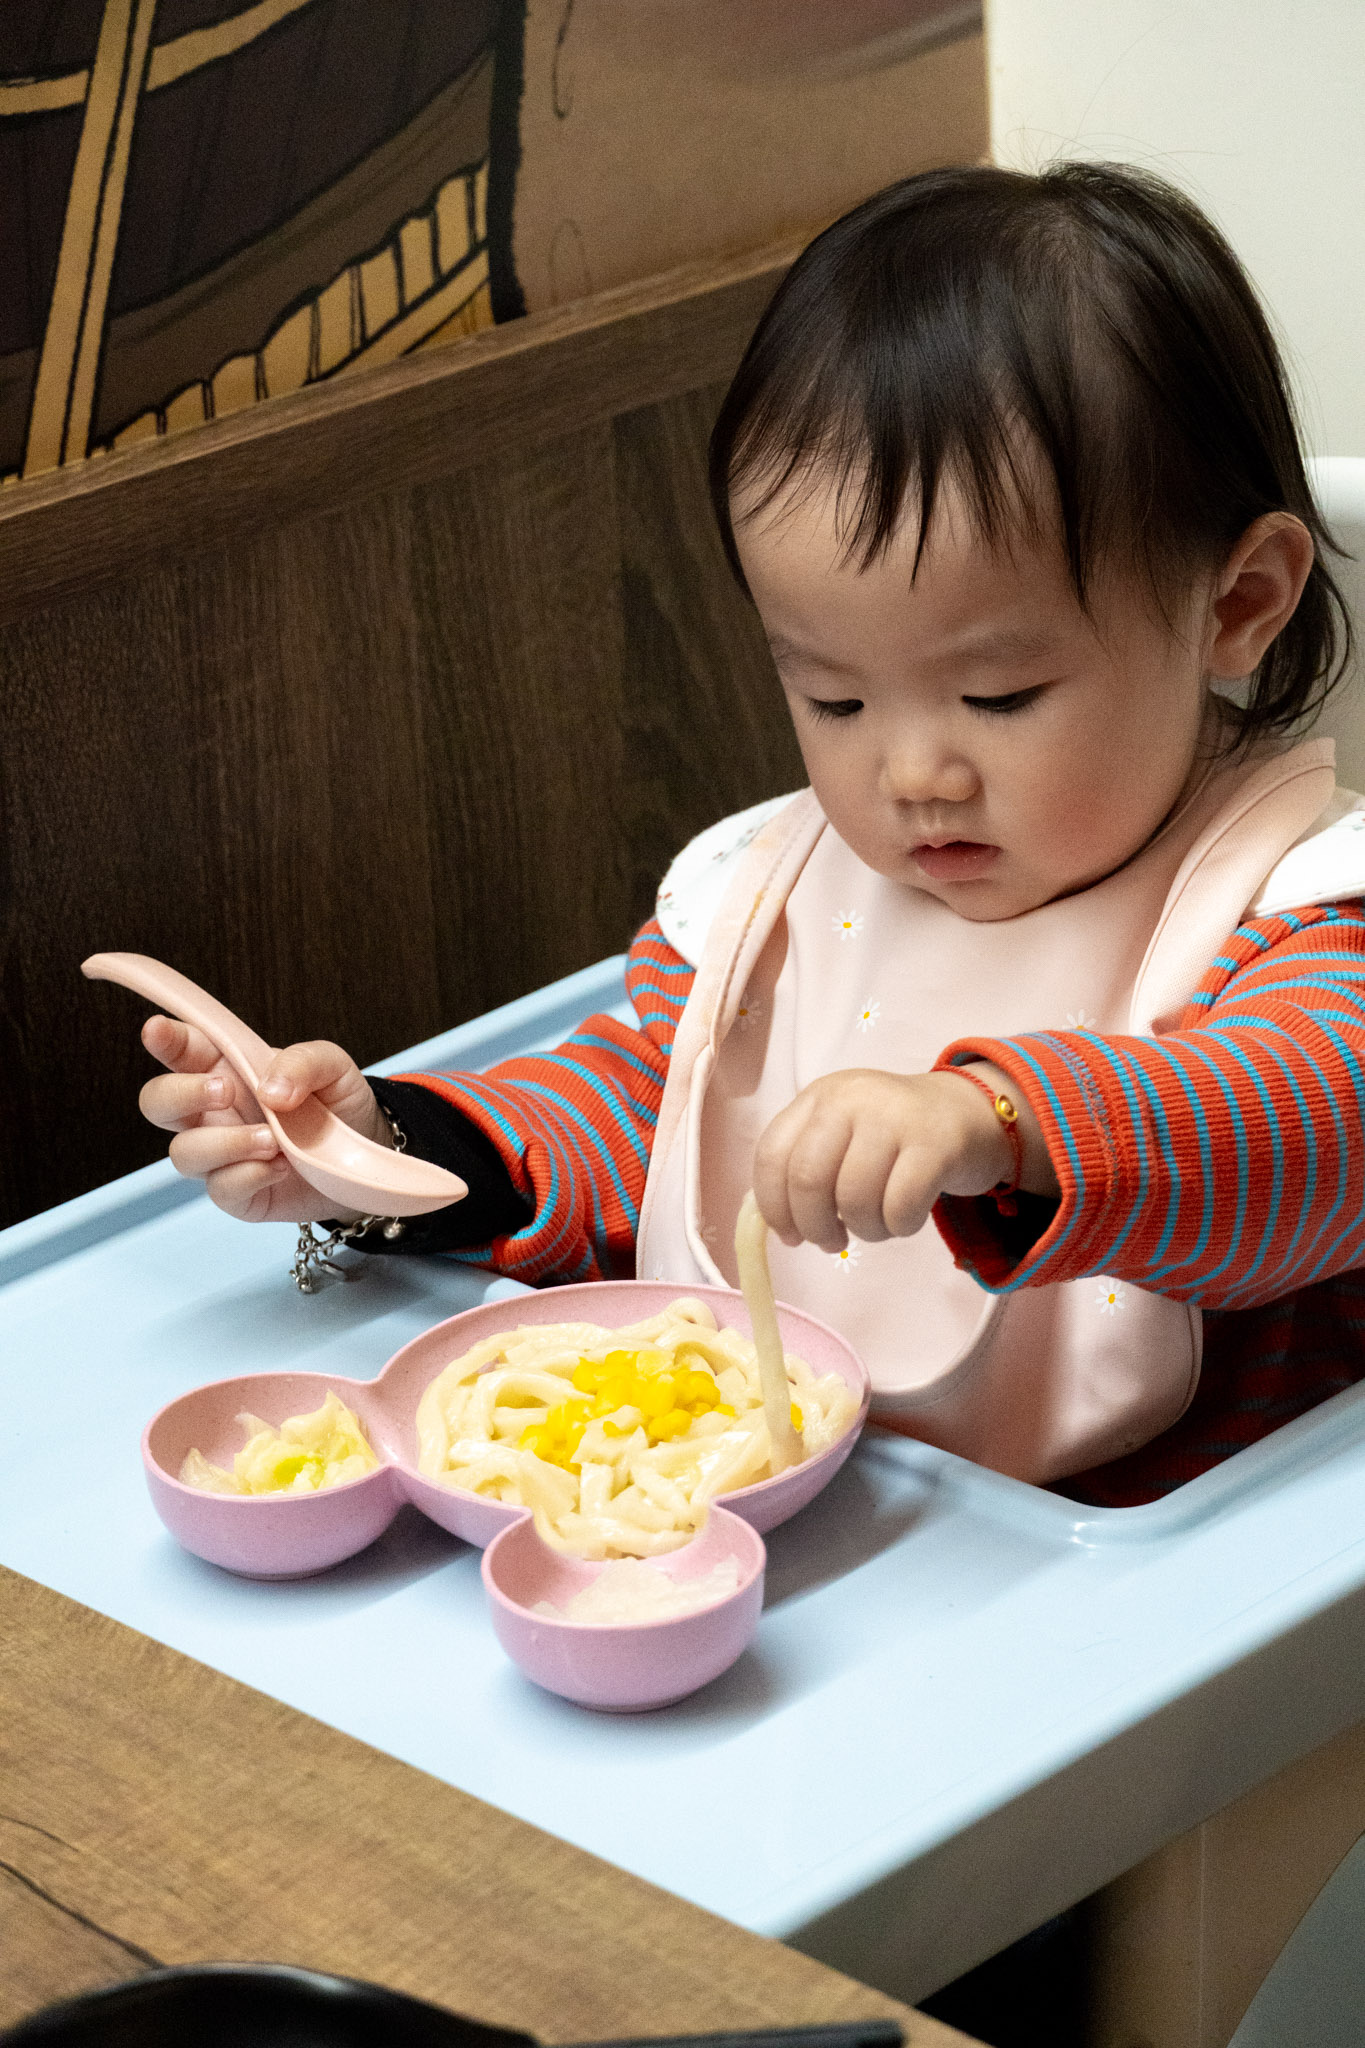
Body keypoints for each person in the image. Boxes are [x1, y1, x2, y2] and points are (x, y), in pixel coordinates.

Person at [136, 163, 1365, 1505]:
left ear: (1237, 605)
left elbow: (1310, 1119)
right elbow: (637, 1119)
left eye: (999, 695)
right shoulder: (767, 900)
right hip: (757, 1510)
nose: (912, 774)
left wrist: (994, 1121)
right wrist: (382, 1151)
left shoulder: (1302, 910)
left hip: (1119, 1566)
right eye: (833, 697)